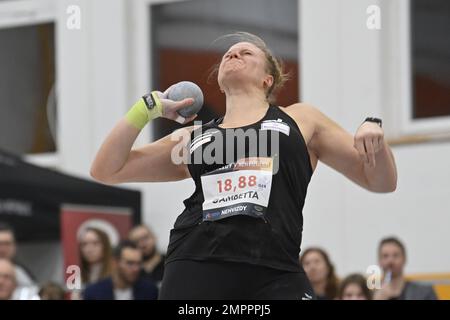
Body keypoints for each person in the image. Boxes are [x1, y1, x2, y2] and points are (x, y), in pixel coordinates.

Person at [90, 32, 397, 299]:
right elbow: (107, 169)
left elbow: (381, 182)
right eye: (228, 54)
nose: (233, 53)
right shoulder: (194, 137)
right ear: (220, 84)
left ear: (268, 79)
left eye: (246, 52)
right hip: (197, 262)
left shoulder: (302, 120)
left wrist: (377, 144)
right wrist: (147, 108)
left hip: (276, 269)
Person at [83, 240, 158, 300]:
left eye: (138, 263)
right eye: (130, 263)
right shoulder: (93, 293)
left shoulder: (150, 291)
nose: (136, 268)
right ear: (115, 263)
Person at [0, 223, 38, 299]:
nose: (3, 249)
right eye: (0, 244)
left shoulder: (23, 273)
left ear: (14, 246)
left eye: (7, 244)